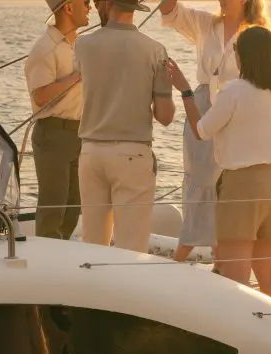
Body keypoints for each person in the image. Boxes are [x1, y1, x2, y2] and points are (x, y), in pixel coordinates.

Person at [165, 26, 271, 300]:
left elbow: (201, 131)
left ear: (241, 55)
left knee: (236, 279)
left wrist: (186, 91)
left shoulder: (233, 91)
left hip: (242, 186)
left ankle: (241, 338)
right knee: (270, 276)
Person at [160, 0, 271, 267]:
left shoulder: (257, 31)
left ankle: (216, 259)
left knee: (225, 185)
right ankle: (190, 250)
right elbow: (168, 10)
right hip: (201, 106)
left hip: (237, 111)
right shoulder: (205, 23)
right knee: (201, 180)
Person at [73, 0, 176, 253]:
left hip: (91, 152)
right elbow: (165, 116)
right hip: (132, 153)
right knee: (131, 249)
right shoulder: (155, 50)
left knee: (92, 247)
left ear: (107, 4)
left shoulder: (83, 45)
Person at [23, 0, 90, 240]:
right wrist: (74, 78)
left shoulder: (78, 45)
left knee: (73, 205)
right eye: (86, 2)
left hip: (78, 133)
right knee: (54, 206)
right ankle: (46, 261)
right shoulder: (45, 48)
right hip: (53, 133)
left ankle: (60, 254)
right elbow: (40, 96)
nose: (90, 7)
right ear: (69, 8)